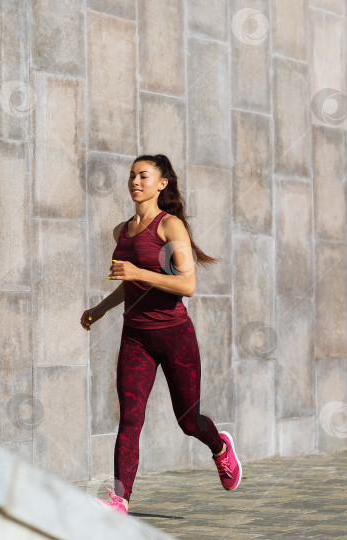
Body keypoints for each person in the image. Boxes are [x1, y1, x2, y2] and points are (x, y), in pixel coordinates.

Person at [81, 154, 241, 516]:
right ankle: (120, 498)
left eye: (144, 176)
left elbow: (187, 284)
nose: (135, 181)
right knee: (130, 418)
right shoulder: (120, 231)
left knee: (188, 422)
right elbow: (129, 285)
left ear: (161, 183)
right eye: (132, 176)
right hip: (135, 337)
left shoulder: (170, 228)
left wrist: (139, 271)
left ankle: (219, 448)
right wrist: (100, 309)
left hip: (174, 336)